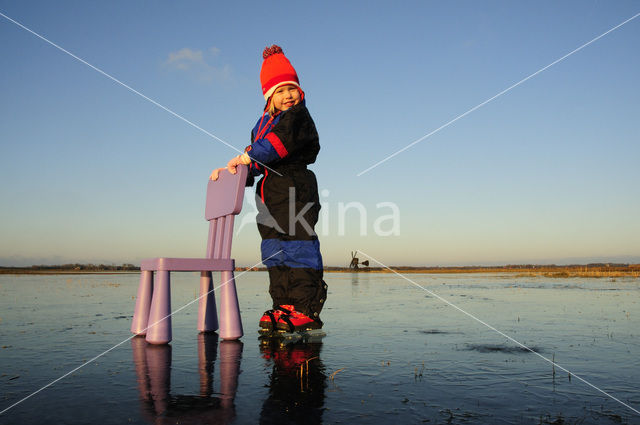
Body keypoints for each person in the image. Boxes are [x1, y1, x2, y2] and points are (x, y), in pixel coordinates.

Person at [210, 45, 327, 333]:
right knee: (274, 249)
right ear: (269, 96)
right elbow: (257, 161)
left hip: (295, 187)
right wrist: (232, 172)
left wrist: (249, 156)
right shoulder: (261, 125)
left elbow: (277, 144)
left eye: (292, 89)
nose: (288, 95)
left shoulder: (297, 117)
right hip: (269, 195)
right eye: (280, 90)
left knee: (298, 245)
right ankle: (284, 304)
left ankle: (305, 309)